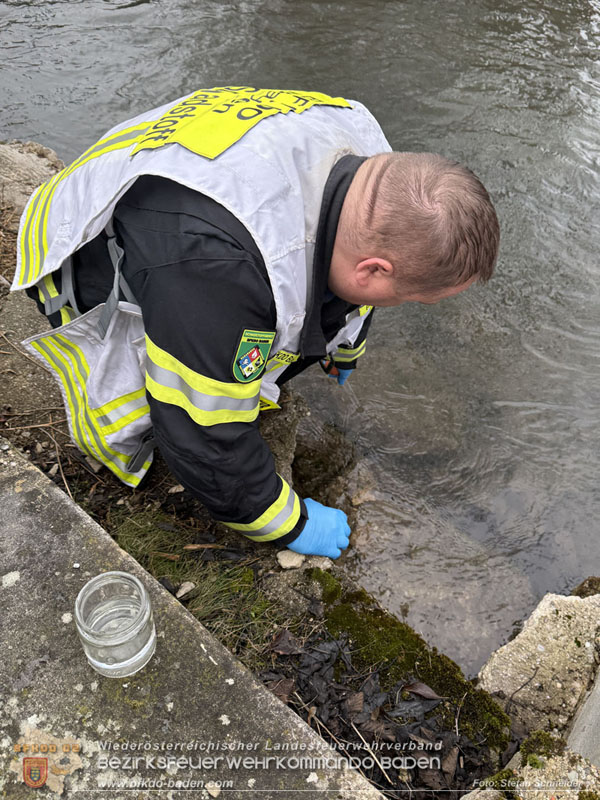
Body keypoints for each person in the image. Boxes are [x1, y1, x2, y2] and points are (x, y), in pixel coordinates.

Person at [11, 86, 499, 560]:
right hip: (87, 244)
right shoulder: (219, 272)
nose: (406, 305)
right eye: (412, 298)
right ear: (373, 270)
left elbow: (354, 268)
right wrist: (290, 523)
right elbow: (203, 439)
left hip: (179, 184)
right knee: (188, 401)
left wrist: (345, 345)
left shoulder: (372, 160)